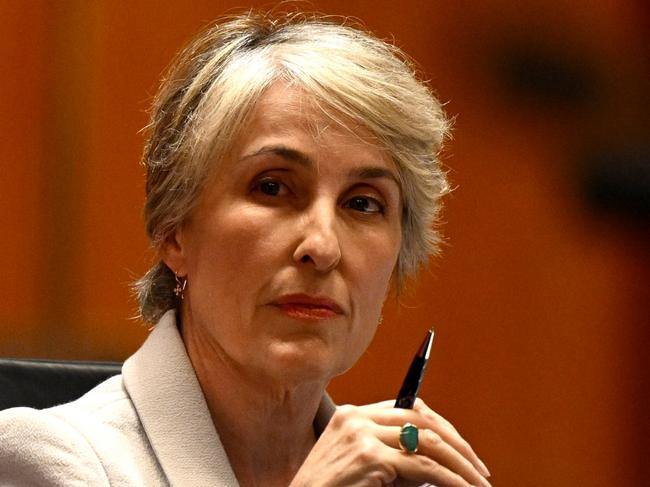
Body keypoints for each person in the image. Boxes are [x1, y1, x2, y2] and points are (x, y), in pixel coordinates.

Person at [0, 10, 491, 487]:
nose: (322, 247)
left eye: (362, 203)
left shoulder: (398, 479)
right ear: (175, 229)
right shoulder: (48, 461)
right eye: (272, 188)